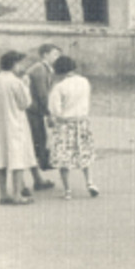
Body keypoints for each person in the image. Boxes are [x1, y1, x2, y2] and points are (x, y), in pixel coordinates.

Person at [0, 51, 37, 205]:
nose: (21, 67)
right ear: (14, 64)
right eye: (20, 63)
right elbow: (24, 103)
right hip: (15, 124)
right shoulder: (16, 82)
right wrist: (26, 86)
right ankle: (17, 195)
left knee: (1, 159)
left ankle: (3, 194)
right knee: (17, 159)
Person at [47, 55, 98, 201]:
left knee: (64, 157)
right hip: (82, 123)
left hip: (65, 124)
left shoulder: (59, 87)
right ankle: (90, 183)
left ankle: (68, 190)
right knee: (84, 153)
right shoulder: (84, 81)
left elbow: (55, 110)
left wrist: (53, 119)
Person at [24, 43, 61, 192]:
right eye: (54, 54)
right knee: (33, 144)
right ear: (45, 55)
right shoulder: (39, 69)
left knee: (36, 143)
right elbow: (42, 94)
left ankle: (38, 177)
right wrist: (50, 114)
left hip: (34, 112)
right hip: (32, 113)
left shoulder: (44, 69)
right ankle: (28, 181)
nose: (57, 58)